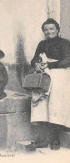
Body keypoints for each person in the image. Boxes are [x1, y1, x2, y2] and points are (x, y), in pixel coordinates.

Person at [27, 18, 70, 151]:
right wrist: (36, 64)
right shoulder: (42, 44)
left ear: (57, 30)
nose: (49, 31)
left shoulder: (65, 43)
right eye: (46, 29)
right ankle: (41, 140)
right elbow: (34, 58)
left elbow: (67, 60)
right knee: (40, 105)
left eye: (52, 29)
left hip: (60, 75)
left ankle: (55, 139)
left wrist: (49, 64)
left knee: (55, 106)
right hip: (44, 76)